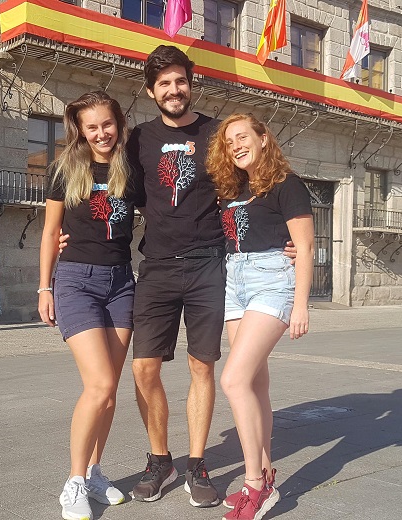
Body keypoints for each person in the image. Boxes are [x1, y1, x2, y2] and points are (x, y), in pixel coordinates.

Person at [125, 45, 297, 508]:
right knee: (144, 368)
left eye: (180, 81)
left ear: (190, 83)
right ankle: (160, 459)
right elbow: (130, 197)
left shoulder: (215, 134)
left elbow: (255, 181)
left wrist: (288, 236)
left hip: (209, 265)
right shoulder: (138, 137)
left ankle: (197, 463)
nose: (173, 89)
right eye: (164, 83)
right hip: (157, 265)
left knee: (203, 366)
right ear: (151, 91)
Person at [206, 113, 314, 520]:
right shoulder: (232, 189)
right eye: (229, 141)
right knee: (254, 382)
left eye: (242, 136)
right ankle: (266, 474)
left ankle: (254, 486)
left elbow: (304, 247)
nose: (236, 145)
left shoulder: (287, 184)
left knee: (233, 379)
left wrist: (301, 305)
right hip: (235, 280)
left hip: (273, 280)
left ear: (263, 138)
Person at [39, 91, 141, 520]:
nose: (100, 133)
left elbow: (179, 211)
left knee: (110, 393)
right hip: (77, 282)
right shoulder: (65, 168)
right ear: (79, 129)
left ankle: (96, 473)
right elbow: (50, 232)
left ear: (118, 123)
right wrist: (44, 287)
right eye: (91, 126)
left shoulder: (131, 170)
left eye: (107, 124)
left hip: (121, 283)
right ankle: (74, 482)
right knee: (98, 385)